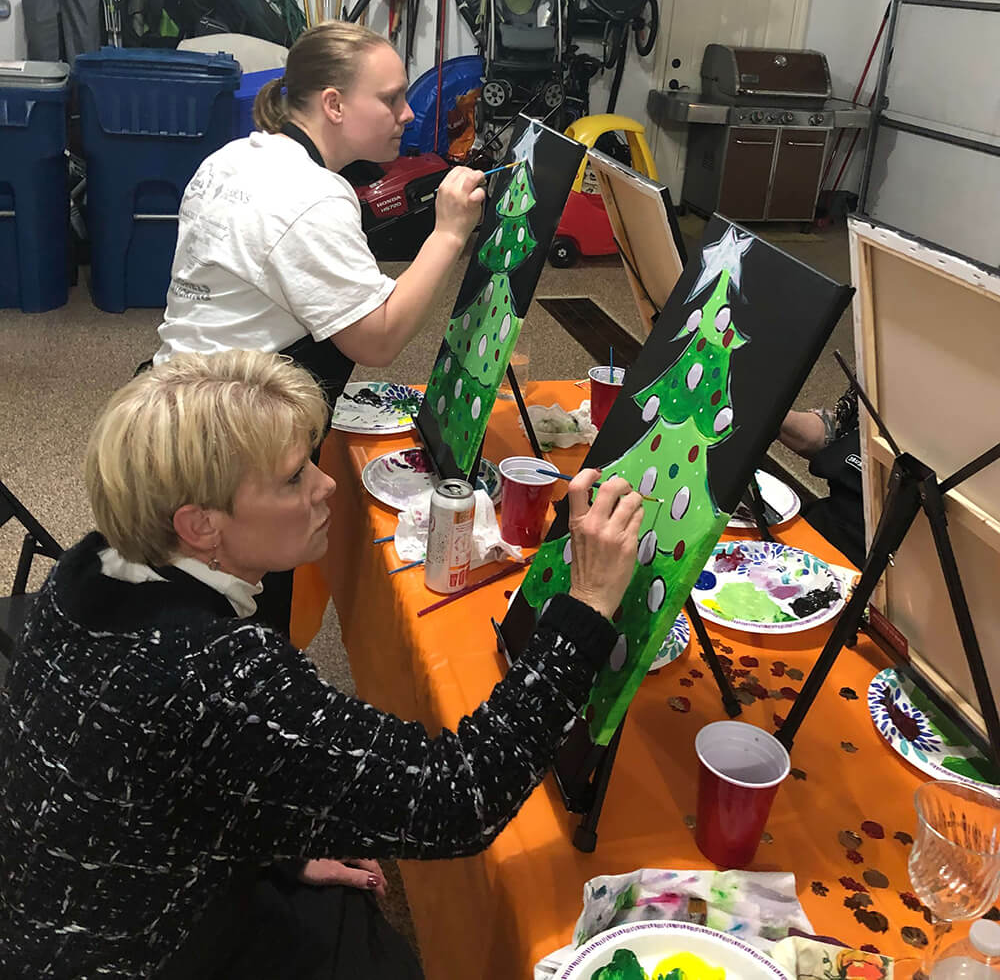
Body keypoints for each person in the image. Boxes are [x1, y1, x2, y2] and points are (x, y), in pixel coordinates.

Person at [0, 350, 643, 979]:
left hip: (63, 905)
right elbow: (459, 796)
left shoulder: (89, 567)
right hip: (137, 950)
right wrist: (585, 607)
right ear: (199, 526)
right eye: (292, 479)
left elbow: (149, 780)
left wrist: (273, 834)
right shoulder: (218, 673)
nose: (325, 483)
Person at [153, 21, 486, 632]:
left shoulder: (237, 155)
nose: (408, 114)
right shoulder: (309, 195)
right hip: (231, 445)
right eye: (390, 98)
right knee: (234, 630)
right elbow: (377, 337)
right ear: (333, 104)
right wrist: (448, 233)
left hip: (171, 408)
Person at [779, 384, 863, 566]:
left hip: (888, 563)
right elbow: (837, 434)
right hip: (824, 525)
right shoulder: (879, 369)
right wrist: (769, 413)